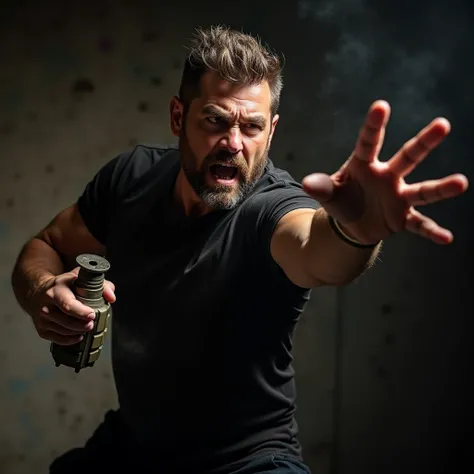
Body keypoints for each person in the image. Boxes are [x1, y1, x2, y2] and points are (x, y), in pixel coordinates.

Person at [10, 25, 468, 474]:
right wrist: (42, 292)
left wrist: (359, 228)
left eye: (251, 127)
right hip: (136, 445)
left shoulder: (273, 208)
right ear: (177, 117)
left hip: (247, 461)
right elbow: (46, 245)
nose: (233, 143)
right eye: (215, 120)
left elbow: (318, 251)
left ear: (271, 132)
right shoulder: (131, 179)